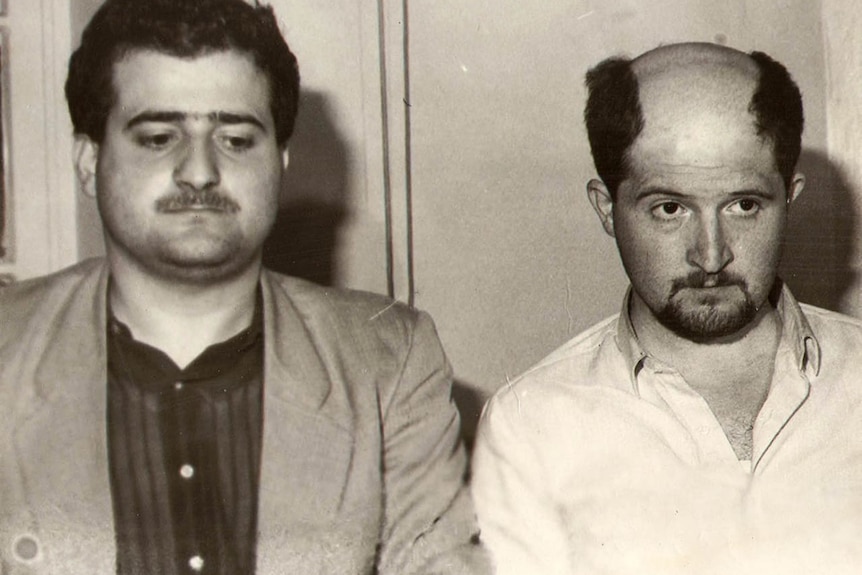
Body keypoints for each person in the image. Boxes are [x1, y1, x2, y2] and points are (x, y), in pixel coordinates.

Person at [0, 0, 488, 573]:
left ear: (279, 161)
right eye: (159, 137)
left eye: (235, 139)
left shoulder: (388, 363)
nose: (201, 171)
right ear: (89, 160)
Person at [472, 42, 862, 575]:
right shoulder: (529, 426)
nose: (711, 254)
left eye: (744, 205)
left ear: (788, 197)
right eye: (669, 208)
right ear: (606, 209)